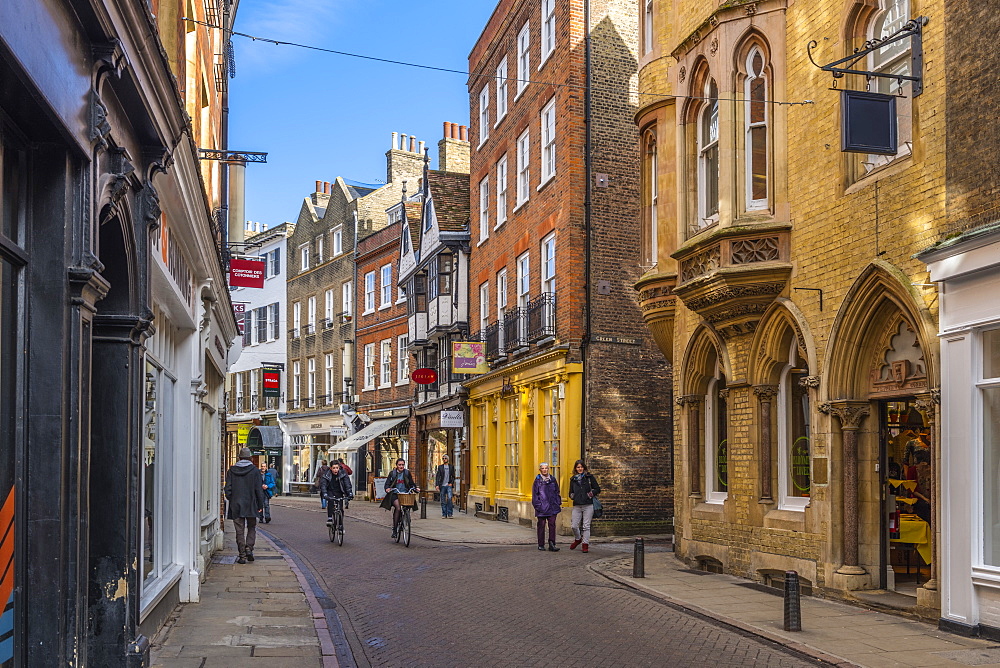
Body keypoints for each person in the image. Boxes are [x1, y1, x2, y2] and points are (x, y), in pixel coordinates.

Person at [224, 448, 267, 564]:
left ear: (239, 458)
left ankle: (242, 555)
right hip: (251, 504)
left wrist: (232, 499)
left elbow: (227, 489)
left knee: (239, 531)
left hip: (236, 504)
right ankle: (249, 548)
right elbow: (259, 490)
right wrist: (260, 504)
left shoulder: (231, 470)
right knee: (252, 527)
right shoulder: (255, 471)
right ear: (250, 459)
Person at [379, 459, 419, 539]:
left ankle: (406, 518)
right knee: (397, 508)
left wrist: (415, 488)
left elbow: (411, 483)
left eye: (402, 465)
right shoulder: (392, 473)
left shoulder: (407, 473)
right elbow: (387, 484)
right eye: (399, 465)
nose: (401, 466)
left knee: (407, 506)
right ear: (396, 465)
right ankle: (394, 529)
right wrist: (387, 488)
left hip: (405, 493)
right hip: (395, 494)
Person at [568, 460, 601, 553]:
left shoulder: (589, 478)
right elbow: (570, 492)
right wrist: (572, 496)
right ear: (575, 468)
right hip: (577, 505)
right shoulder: (573, 479)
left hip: (588, 504)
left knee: (586, 526)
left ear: (584, 468)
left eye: (581, 467)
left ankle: (585, 544)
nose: (580, 469)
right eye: (578, 467)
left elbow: (597, 489)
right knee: (574, 525)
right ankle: (578, 539)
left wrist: (590, 494)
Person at [531, 462, 561, 552]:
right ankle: (541, 544)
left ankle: (552, 544)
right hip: (542, 508)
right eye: (542, 468)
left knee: (552, 525)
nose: (544, 470)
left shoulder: (553, 480)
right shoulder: (537, 481)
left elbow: (557, 492)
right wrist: (538, 506)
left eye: (546, 468)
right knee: (541, 526)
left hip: (552, 507)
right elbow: (535, 496)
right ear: (540, 470)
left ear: (548, 469)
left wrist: (557, 502)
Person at [320, 461, 354, 530]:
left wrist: (350, 493)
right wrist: (325, 493)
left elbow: (347, 484)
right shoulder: (327, 474)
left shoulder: (343, 473)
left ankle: (340, 524)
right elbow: (323, 484)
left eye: (337, 468)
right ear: (331, 468)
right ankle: (330, 518)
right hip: (330, 490)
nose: (335, 470)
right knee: (331, 502)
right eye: (334, 468)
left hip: (339, 491)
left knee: (340, 508)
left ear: (339, 468)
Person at [435, 454, 456, 518]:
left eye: (445, 458)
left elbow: (453, 476)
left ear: (448, 459)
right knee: (443, 500)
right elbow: (438, 476)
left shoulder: (451, 467)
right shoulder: (440, 467)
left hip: (449, 485)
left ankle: (450, 513)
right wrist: (437, 485)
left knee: (449, 498)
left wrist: (451, 483)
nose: (444, 459)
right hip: (442, 485)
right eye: (443, 458)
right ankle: (444, 514)